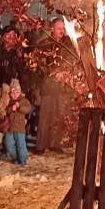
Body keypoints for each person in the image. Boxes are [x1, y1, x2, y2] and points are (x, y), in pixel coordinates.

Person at [34, 17, 80, 153]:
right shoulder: (44, 44)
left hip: (63, 86)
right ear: (52, 29)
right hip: (48, 85)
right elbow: (40, 64)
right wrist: (52, 73)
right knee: (45, 115)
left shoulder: (68, 44)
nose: (61, 31)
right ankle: (41, 145)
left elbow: (72, 60)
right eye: (59, 28)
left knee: (60, 114)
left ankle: (55, 143)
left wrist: (64, 72)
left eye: (63, 28)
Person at [0, 78, 33, 165]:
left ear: (20, 92)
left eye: (17, 92)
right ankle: (15, 157)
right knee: (8, 143)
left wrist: (19, 107)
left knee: (21, 144)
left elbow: (28, 109)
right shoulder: (8, 101)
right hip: (9, 127)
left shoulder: (23, 100)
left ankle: (22, 159)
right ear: (10, 93)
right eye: (13, 92)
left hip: (19, 127)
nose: (15, 94)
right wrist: (11, 108)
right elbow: (4, 110)